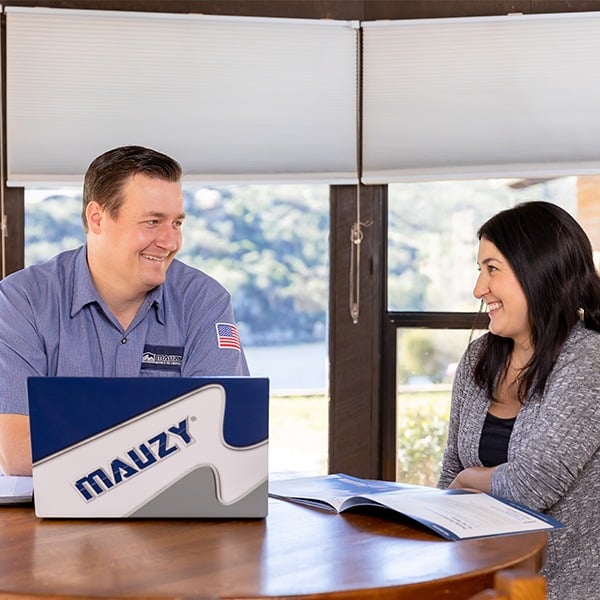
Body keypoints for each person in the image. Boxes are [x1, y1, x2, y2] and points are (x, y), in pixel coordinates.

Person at [0, 145, 249, 476]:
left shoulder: (205, 301)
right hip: (53, 509)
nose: (170, 242)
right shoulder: (22, 301)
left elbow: (223, 439)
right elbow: (19, 452)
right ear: (97, 218)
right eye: (152, 222)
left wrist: (69, 432)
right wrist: (165, 436)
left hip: (177, 506)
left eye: (176, 223)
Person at [437, 201, 600, 600]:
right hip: (477, 582)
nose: (479, 289)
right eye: (479, 270)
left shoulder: (589, 357)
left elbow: (533, 484)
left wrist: (469, 481)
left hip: (562, 590)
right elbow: (449, 475)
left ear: (539, 270)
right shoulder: (478, 357)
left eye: (492, 269)